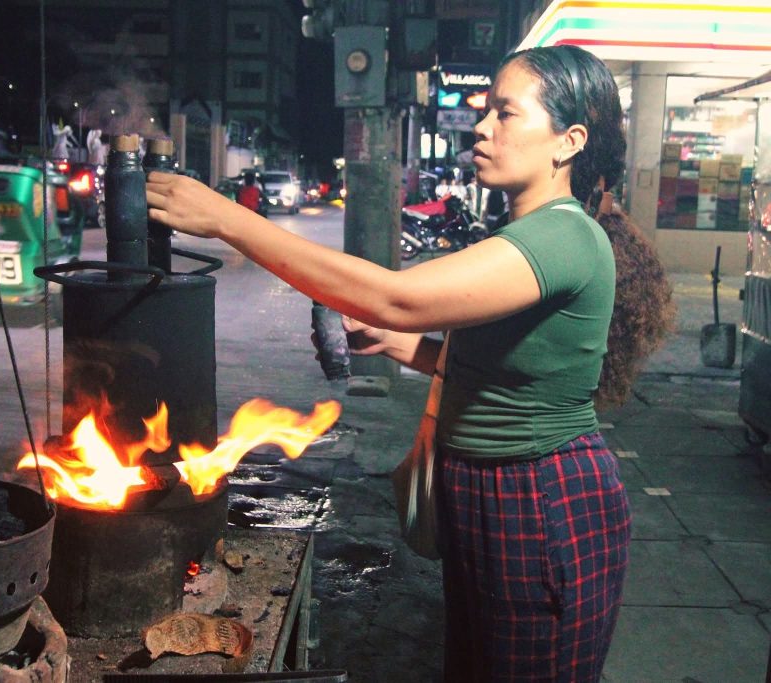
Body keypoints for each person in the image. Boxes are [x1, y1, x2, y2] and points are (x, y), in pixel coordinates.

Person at [146, 44, 674, 682]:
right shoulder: (524, 234)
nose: (482, 127)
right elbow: (503, 371)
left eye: (506, 113)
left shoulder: (563, 234)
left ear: (569, 141)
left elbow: (396, 298)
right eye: (487, 110)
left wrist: (228, 219)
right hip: (492, 488)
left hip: (539, 497)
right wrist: (399, 346)